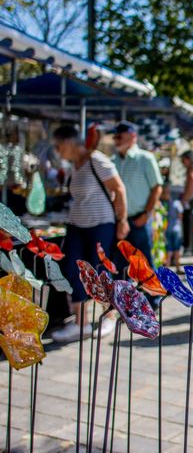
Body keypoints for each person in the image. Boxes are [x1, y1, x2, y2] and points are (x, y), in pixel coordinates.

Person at [51, 125, 129, 343]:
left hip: (100, 224)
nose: (58, 152)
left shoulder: (97, 160)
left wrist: (122, 220)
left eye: (58, 147)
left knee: (101, 270)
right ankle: (80, 323)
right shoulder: (74, 166)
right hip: (77, 224)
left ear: (68, 143)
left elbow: (119, 189)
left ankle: (109, 315)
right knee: (73, 270)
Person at [111, 121, 163, 283]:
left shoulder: (145, 159)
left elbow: (157, 188)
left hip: (139, 218)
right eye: (115, 137)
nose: (116, 140)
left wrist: (147, 214)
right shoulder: (113, 161)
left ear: (132, 136)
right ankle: (123, 302)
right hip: (120, 221)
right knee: (119, 265)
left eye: (120, 136)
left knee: (144, 264)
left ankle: (152, 303)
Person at [162, 183, 183, 270]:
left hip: (167, 228)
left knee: (168, 248)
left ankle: (167, 266)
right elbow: (180, 216)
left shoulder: (164, 204)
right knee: (177, 248)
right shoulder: (177, 203)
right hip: (176, 228)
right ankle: (178, 266)